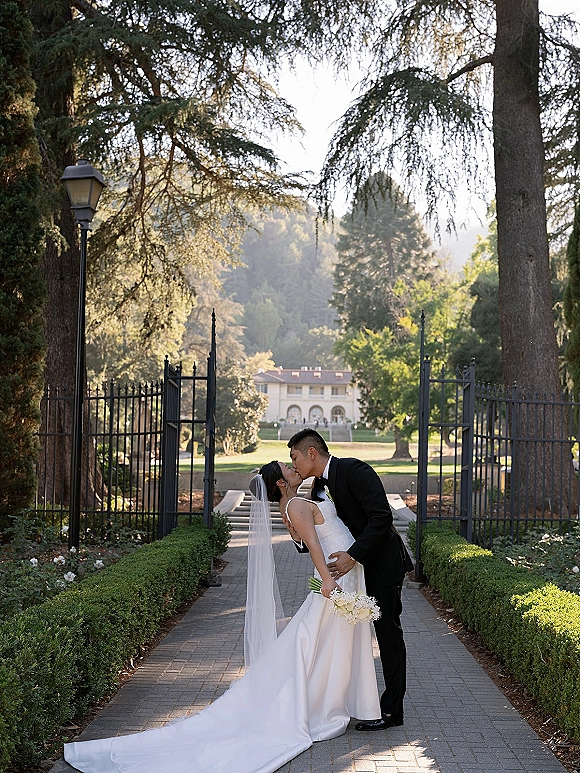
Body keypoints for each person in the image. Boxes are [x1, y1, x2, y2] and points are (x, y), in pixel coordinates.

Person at [63, 461, 380, 773]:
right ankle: (316, 705)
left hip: (337, 576)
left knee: (317, 642)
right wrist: (326, 579)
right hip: (332, 579)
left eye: (291, 460)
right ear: (280, 484)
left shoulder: (294, 501)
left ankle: (321, 698)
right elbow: (310, 544)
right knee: (313, 642)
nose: (292, 465)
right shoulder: (295, 503)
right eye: (287, 466)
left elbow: (308, 538)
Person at [287, 428, 413, 732]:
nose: (293, 465)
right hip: (350, 574)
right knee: (347, 639)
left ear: (312, 453)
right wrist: (299, 537)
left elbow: (381, 518)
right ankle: (347, 701)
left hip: (380, 564)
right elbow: (323, 528)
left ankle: (393, 711)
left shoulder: (356, 470)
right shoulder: (316, 486)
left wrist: (353, 555)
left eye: (294, 457)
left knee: (387, 634)